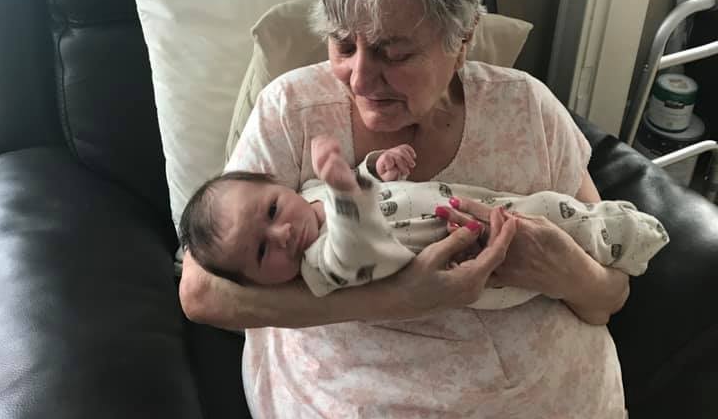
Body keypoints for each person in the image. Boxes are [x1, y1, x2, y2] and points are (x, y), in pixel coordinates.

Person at [180, 0, 717, 419]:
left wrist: (563, 271)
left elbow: (608, 294)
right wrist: (398, 298)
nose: (358, 76)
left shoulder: (526, 111)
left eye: (393, 52)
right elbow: (202, 292)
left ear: (462, 37)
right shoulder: (295, 112)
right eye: (343, 44)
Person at [179, 136, 668, 309]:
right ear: (254, 281)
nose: (282, 234)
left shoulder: (310, 190)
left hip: (470, 203)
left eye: (270, 211)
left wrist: (376, 166)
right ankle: (630, 243)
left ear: (273, 181)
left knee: (546, 205)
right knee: (558, 232)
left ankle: (613, 225)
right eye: (261, 253)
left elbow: (362, 180)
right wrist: (349, 192)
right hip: (487, 266)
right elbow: (358, 247)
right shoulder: (317, 270)